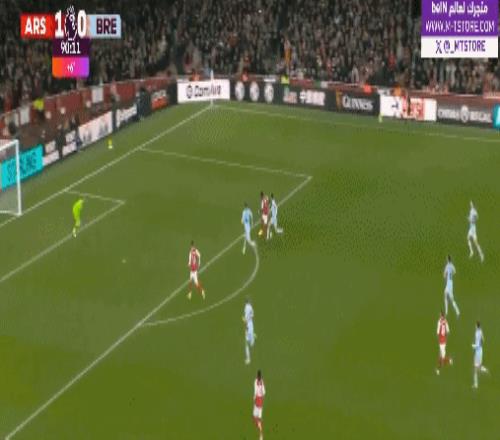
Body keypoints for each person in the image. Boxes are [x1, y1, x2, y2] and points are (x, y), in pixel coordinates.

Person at [472, 321, 489, 389]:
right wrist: (478, 344)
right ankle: (485, 370)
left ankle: (475, 385)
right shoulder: (480, 331)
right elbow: (483, 340)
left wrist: (473, 346)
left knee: (475, 369)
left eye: (475, 325)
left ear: (477, 326)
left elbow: (478, 344)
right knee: (479, 366)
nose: (475, 326)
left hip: (477, 352)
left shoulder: (477, 333)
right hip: (481, 351)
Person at [253, 370, 266, 440]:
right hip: (261, 401)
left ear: (257, 375)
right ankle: (261, 435)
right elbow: (264, 392)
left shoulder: (256, 381)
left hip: (257, 400)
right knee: (259, 418)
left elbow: (255, 392)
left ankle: (261, 433)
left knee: (255, 418)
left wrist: (254, 398)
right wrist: (262, 399)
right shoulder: (262, 381)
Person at [243, 298, 256, 365]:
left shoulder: (246, 308)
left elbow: (246, 319)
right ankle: (253, 338)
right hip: (251, 325)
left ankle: (248, 359)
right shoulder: (251, 307)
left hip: (248, 326)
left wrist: (244, 321)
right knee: (252, 343)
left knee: (246, 343)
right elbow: (252, 315)